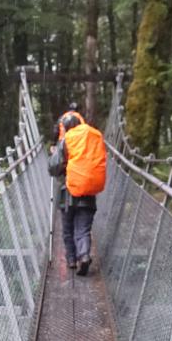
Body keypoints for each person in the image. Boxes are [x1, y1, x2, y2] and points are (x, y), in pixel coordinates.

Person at [48, 104, 107, 276]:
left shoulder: (66, 140)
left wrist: (55, 153)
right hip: (89, 193)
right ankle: (85, 255)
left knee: (67, 229)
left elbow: (53, 167)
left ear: (64, 128)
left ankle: (72, 260)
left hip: (68, 193)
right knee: (83, 229)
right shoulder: (94, 137)